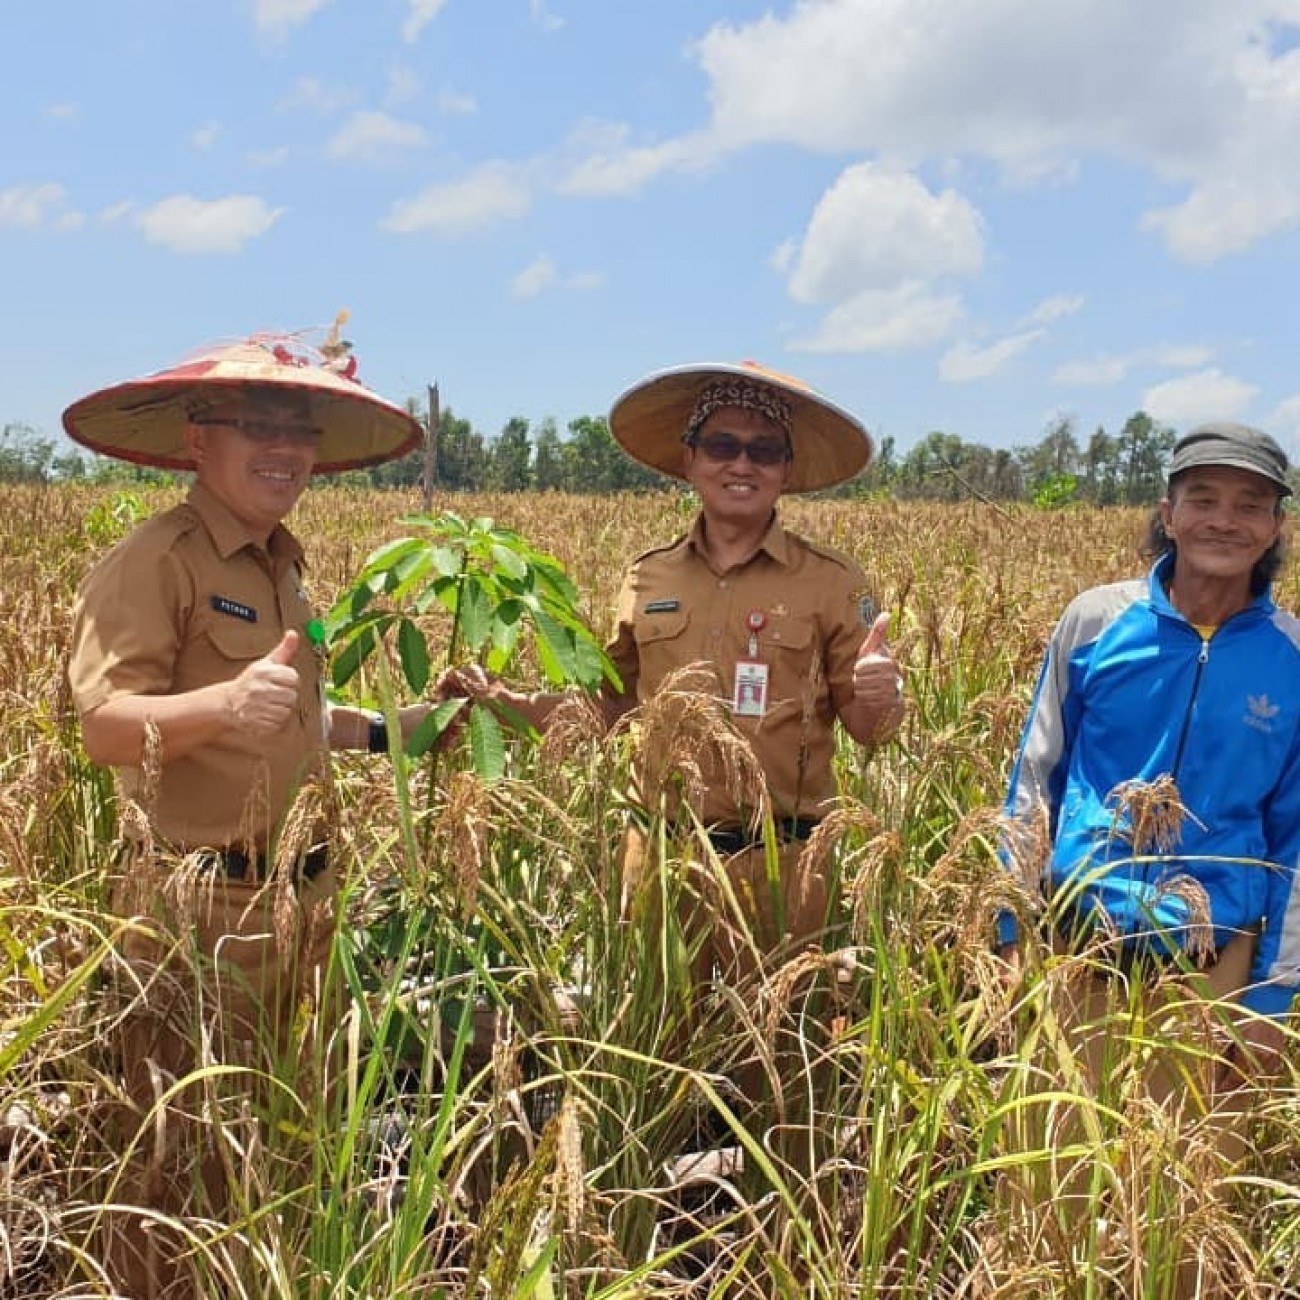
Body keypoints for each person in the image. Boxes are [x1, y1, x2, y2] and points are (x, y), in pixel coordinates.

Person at [63, 324, 431, 1299]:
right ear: (198, 440)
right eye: (256, 423)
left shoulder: (285, 566)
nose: (284, 447)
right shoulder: (157, 561)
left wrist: (404, 733)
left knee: (280, 1151)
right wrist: (222, 703)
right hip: (199, 917)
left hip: (301, 904)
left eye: (299, 427)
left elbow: (294, 720)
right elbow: (103, 724)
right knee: (177, 1169)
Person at [454, 360, 905, 1040]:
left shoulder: (830, 582)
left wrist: (881, 692)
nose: (741, 465)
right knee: (656, 1047)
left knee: (774, 1058)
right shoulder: (646, 575)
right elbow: (609, 709)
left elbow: (871, 730)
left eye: (764, 450)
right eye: (723, 445)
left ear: (785, 469)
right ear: (691, 459)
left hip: (783, 867)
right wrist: (506, 703)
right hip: (663, 857)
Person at [996, 421, 1300, 1295]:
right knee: (1046, 1190)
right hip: (1080, 945)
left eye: (1250, 504)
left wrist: (1270, 999)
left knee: (1185, 1206)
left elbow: (1293, 839)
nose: (1223, 520)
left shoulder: (1290, 658)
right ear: (1168, 512)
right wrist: (1015, 933)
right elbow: (1033, 782)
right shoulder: (1096, 621)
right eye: (1202, 498)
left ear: (1276, 528)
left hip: (1212, 964)